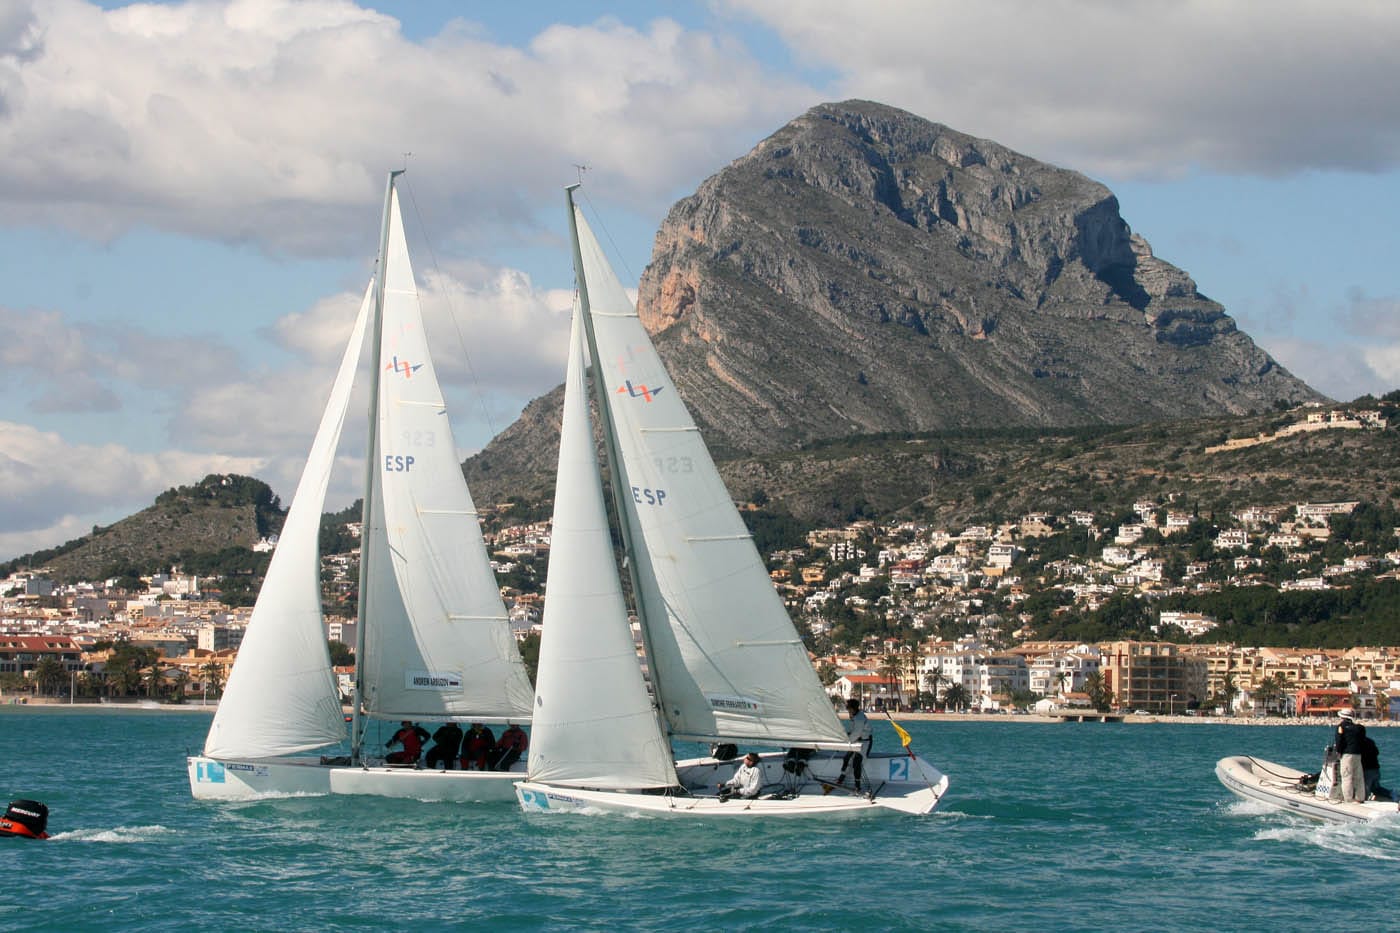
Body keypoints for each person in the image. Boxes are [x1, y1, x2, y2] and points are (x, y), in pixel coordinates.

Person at [837, 697, 872, 790]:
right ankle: (841, 779)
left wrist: (846, 742)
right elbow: (853, 730)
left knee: (857, 762)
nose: (847, 709)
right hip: (857, 740)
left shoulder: (859, 718)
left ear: (852, 708)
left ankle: (857, 786)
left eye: (848, 708)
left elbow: (856, 733)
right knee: (846, 758)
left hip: (865, 742)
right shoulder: (854, 714)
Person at [1333, 708, 1367, 802]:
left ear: (1342, 717)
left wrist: (1338, 752)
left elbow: (1339, 741)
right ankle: (1360, 798)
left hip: (1347, 755)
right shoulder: (1358, 728)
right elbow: (1362, 741)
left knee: (1346, 777)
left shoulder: (1341, 727)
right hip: (1358, 754)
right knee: (1359, 777)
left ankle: (1348, 799)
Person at [1361, 733, 1392, 801]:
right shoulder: (1370, 741)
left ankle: (1365, 804)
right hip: (1375, 769)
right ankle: (1393, 794)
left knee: (1366, 790)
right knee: (1376, 789)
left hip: (1367, 770)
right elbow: (1377, 752)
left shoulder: (1358, 743)